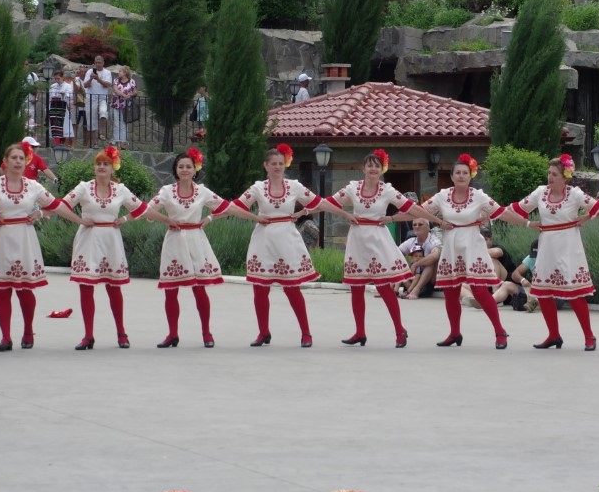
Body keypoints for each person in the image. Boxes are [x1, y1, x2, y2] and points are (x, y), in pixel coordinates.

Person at [0, 143, 83, 350]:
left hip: (24, 239)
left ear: (26, 163)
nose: (18, 161)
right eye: (13, 158)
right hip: (2, 239)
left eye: (21, 158)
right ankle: (5, 337)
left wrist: (80, 221)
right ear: (5, 162)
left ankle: (27, 331)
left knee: (25, 289)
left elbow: (56, 206)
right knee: (2, 289)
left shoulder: (33, 186)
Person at [148, 148, 261, 348]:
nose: (184, 170)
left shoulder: (202, 192)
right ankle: (172, 334)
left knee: (199, 289)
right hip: (174, 241)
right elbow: (147, 211)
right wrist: (167, 219)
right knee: (171, 290)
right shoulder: (166, 191)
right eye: (181, 166)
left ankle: (206, 333)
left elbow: (228, 208)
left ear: (195, 170)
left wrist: (255, 217)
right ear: (175, 170)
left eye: (188, 166)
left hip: (195, 240)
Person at [235, 145, 346, 347]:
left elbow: (318, 203)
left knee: (292, 288)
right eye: (273, 163)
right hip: (264, 240)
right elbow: (236, 206)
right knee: (260, 289)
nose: (277, 167)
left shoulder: (294, 186)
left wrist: (345, 214)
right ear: (266, 166)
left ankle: (306, 333)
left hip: (287, 239)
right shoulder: (258, 188)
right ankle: (263, 332)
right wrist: (255, 217)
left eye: (280, 163)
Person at [511, 154, 599, 352]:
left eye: (554, 174)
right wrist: (522, 221)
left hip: (569, 250)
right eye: (549, 173)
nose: (550, 177)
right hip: (547, 249)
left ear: (565, 177)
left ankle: (589, 336)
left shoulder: (575, 194)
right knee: (544, 294)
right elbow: (516, 209)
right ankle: (553, 335)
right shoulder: (540, 193)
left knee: (575, 294)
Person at [328, 150, 435, 348]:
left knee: (383, 287)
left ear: (382, 169)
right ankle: (360, 332)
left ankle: (399, 331)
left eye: (377, 165)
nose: (373, 169)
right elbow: (328, 203)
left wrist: (434, 219)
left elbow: (412, 208)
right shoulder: (353, 188)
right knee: (357, 288)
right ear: (363, 169)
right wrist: (345, 215)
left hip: (378, 239)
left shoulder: (387, 190)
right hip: (358, 241)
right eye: (369, 165)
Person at [424, 154, 531, 349]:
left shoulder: (478, 196)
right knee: (451, 293)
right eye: (458, 172)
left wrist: (528, 223)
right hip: (451, 248)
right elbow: (420, 210)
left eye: (465, 172)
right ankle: (455, 333)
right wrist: (438, 222)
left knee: (480, 292)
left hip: (472, 246)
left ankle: (500, 331)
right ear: (452, 176)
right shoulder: (443, 195)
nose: (461, 176)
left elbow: (501, 212)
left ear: (471, 175)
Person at [63, 146, 155, 350]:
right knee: (86, 287)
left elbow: (141, 208)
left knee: (114, 287)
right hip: (88, 240)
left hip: (111, 240)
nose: (102, 167)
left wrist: (124, 219)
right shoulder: (84, 188)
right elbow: (62, 205)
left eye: (106, 164)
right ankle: (88, 335)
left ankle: (121, 333)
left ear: (113, 168)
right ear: (94, 167)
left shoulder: (120, 190)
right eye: (98, 164)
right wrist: (79, 220)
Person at [461, 226, 525, 310]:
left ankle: (495, 293)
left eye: (484, 240)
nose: (482, 243)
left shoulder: (498, 248)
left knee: (492, 260)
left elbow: (496, 252)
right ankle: (474, 300)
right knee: (459, 285)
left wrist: (477, 251)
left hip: (505, 285)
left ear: (491, 239)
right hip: (487, 288)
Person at [396, 218, 441, 299]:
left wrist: (416, 264)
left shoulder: (433, 240)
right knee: (398, 260)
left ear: (428, 227)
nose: (417, 227)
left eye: (420, 224)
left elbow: (435, 255)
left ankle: (416, 290)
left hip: (429, 280)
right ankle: (392, 289)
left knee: (431, 261)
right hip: (411, 280)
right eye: (414, 225)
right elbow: (396, 253)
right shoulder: (411, 241)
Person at [83, 55, 112, 147]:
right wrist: (91, 78)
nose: (98, 64)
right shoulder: (89, 71)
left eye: (99, 62)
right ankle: (95, 143)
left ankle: (101, 132)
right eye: (96, 63)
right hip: (91, 98)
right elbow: (85, 85)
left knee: (103, 112)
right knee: (92, 121)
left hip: (102, 98)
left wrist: (98, 79)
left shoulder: (107, 72)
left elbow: (108, 85)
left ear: (103, 63)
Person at [110, 66, 137, 149]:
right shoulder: (116, 80)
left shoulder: (132, 81)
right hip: (116, 104)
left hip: (126, 105)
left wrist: (130, 95)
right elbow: (115, 90)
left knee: (124, 123)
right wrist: (124, 95)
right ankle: (116, 142)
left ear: (125, 73)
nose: (119, 73)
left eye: (120, 71)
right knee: (116, 123)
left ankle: (123, 142)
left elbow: (135, 92)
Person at [48, 70, 75, 148]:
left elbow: (70, 97)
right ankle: (57, 144)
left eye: (58, 78)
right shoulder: (53, 86)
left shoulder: (68, 86)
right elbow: (50, 96)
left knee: (63, 126)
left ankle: (62, 145)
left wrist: (64, 94)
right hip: (53, 108)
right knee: (54, 126)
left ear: (63, 77)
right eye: (55, 79)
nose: (57, 80)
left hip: (62, 108)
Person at [24, 60, 39, 132]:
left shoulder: (33, 75)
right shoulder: (18, 75)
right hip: (20, 102)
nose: (25, 66)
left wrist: (36, 98)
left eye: (26, 64)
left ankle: (30, 135)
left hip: (30, 101)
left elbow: (38, 87)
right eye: (23, 64)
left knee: (31, 120)